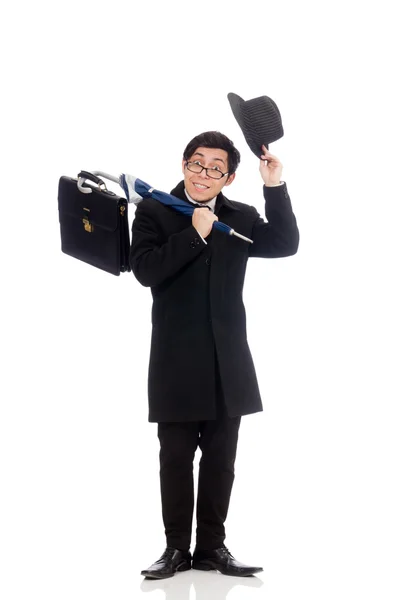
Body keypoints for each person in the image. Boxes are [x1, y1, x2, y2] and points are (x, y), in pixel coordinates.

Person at [129, 131, 299, 579]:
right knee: (176, 458)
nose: (203, 174)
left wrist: (274, 186)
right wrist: (193, 235)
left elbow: (284, 243)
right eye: (196, 164)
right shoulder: (154, 210)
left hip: (229, 361)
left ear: (229, 177)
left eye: (215, 168)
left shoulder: (240, 216)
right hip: (175, 360)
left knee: (222, 460)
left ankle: (211, 549)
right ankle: (174, 550)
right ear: (184, 164)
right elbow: (144, 271)